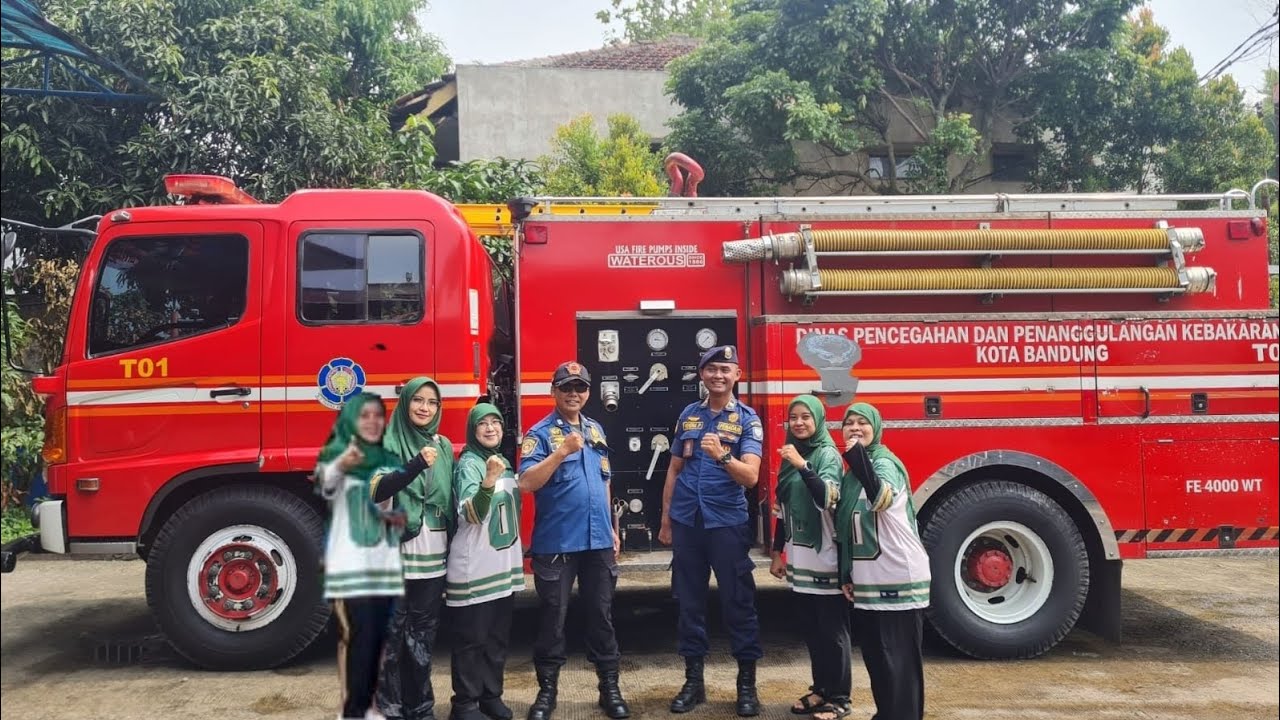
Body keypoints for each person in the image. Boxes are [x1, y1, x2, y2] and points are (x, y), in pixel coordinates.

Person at [518, 361, 630, 720]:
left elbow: (604, 478)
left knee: (602, 616)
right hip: (557, 543)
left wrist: (612, 527)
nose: (573, 394)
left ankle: (609, 689)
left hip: (598, 540)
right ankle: (547, 693)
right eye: (566, 387)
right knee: (553, 620)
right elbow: (527, 482)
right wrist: (562, 451)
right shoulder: (538, 434)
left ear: (588, 393)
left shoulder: (596, 429)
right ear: (554, 392)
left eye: (580, 388)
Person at [658, 345, 764, 717]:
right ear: (701, 375)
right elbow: (673, 469)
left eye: (726, 369)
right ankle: (693, 682)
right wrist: (666, 520)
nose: (718, 375)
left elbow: (750, 477)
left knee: (739, 603)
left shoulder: (748, 420)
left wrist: (722, 455)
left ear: (738, 376)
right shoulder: (688, 416)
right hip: (688, 522)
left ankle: (746, 685)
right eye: (711, 369)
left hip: (727, 524)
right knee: (689, 603)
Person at [315, 392, 423, 720]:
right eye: (365, 416)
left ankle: (366, 706)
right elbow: (326, 483)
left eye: (378, 416)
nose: (373, 422)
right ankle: (351, 711)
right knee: (354, 638)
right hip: (351, 567)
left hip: (380, 563)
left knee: (375, 638)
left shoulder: (383, 457)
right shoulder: (339, 455)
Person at [835, 402, 930, 720]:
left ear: (876, 427)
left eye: (863, 423)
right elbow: (847, 529)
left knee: (900, 666)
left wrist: (858, 457)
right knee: (878, 662)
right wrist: (846, 574)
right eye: (849, 423)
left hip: (899, 578)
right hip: (870, 580)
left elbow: (881, 498)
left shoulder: (885, 463)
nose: (855, 428)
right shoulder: (850, 476)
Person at [374, 378, 456, 720]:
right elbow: (377, 490)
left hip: (433, 556)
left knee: (422, 638)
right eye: (418, 400)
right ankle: (390, 708)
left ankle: (421, 708)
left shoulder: (446, 445)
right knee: (391, 640)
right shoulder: (386, 443)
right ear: (405, 403)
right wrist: (415, 465)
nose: (425, 408)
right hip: (395, 554)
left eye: (432, 402)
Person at [769, 396, 852, 720]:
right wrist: (777, 552)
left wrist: (803, 466)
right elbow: (783, 509)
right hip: (801, 557)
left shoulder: (826, 455)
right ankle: (821, 689)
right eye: (794, 417)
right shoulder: (794, 453)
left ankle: (841, 698)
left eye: (806, 417)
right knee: (812, 629)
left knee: (833, 631)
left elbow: (827, 497)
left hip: (827, 555)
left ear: (818, 420)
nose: (799, 422)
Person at [445, 404, 525, 720]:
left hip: (501, 568)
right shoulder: (469, 465)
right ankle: (464, 704)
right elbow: (473, 514)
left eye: (496, 422)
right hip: (474, 569)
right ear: (472, 430)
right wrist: (489, 480)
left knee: (496, 640)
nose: (490, 428)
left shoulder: (502, 461)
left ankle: (491, 695)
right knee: (471, 641)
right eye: (483, 423)